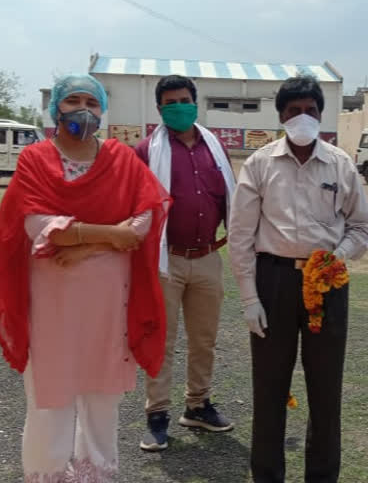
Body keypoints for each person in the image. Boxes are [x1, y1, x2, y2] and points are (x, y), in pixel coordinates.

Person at [0, 74, 169, 481]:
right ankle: (47, 473)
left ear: (102, 110)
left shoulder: (122, 159)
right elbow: (37, 223)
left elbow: (144, 218)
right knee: (50, 396)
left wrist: (84, 246)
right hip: (52, 300)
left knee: (101, 395)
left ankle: (96, 475)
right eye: (73, 100)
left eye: (92, 103)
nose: (83, 110)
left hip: (110, 299)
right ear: (56, 107)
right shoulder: (36, 159)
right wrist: (112, 233)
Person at [228, 75, 368, 483]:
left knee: (326, 390)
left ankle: (322, 477)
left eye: (310, 111)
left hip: (327, 283)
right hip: (273, 282)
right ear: (281, 117)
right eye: (294, 112)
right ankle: (267, 476)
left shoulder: (340, 164)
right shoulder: (259, 165)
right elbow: (240, 236)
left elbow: (361, 228)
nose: (303, 118)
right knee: (269, 388)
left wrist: (335, 257)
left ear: (321, 116)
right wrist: (248, 299)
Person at [134, 74, 236, 451]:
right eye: (171, 102)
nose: (179, 107)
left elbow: (231, 200)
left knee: (204, 340)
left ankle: (197, 405)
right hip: (165, 260)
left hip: (208, 256)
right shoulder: (146, 151)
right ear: (160, 109)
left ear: (196, 102)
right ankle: (156, 414)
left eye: (185, 100)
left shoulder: (215, 148)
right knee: (161, 340)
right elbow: (135, 206)